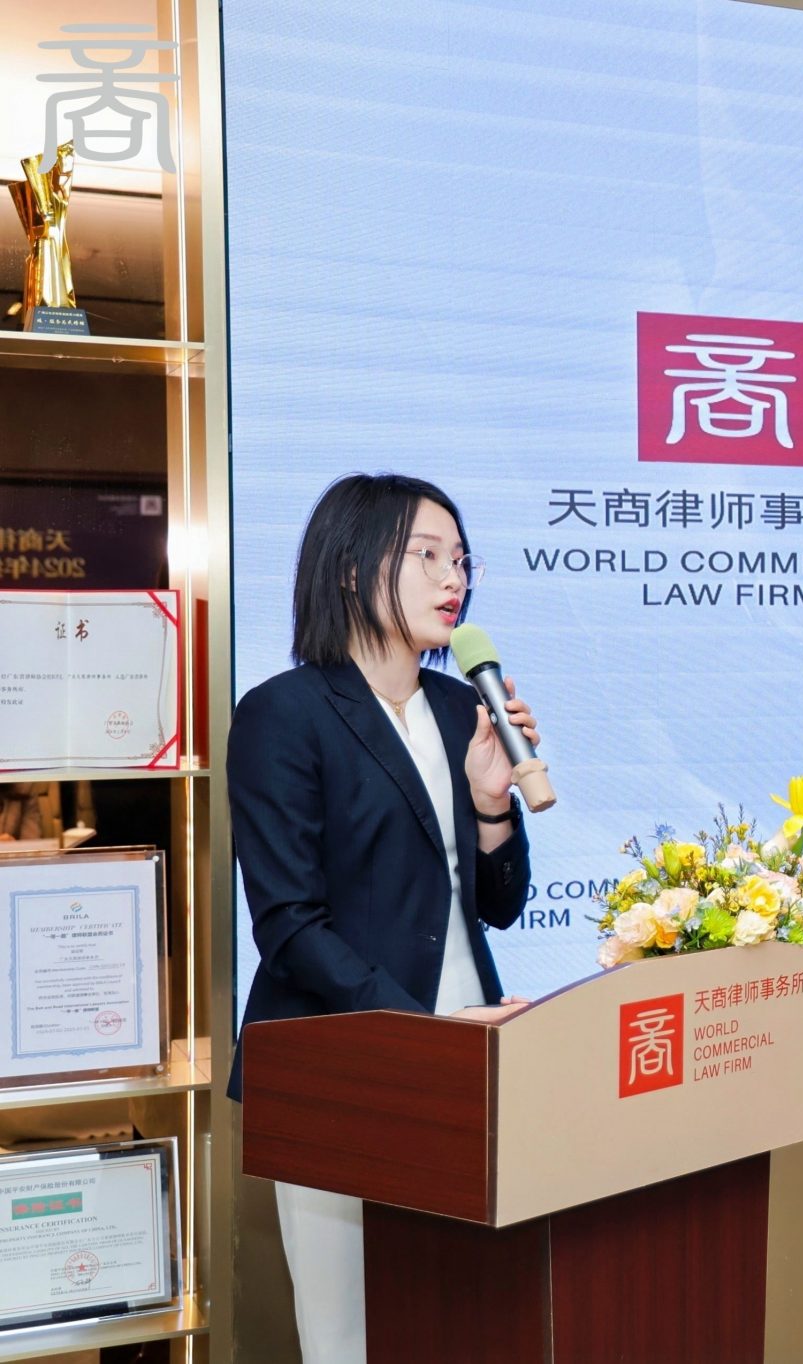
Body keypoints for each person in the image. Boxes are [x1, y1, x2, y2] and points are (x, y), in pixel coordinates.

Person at [226, 472, 541, 1364]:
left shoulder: (460, 708)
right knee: (348, 1335)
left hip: (468, 1058)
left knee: (458, 1317)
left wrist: (491, 805)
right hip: (340, 1067)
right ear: (350, 569)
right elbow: (290, 927)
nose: (454, 579)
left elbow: (500, 905)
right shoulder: (283, 714)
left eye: (462, 560)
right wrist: (426, 1035)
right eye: (427, 556)